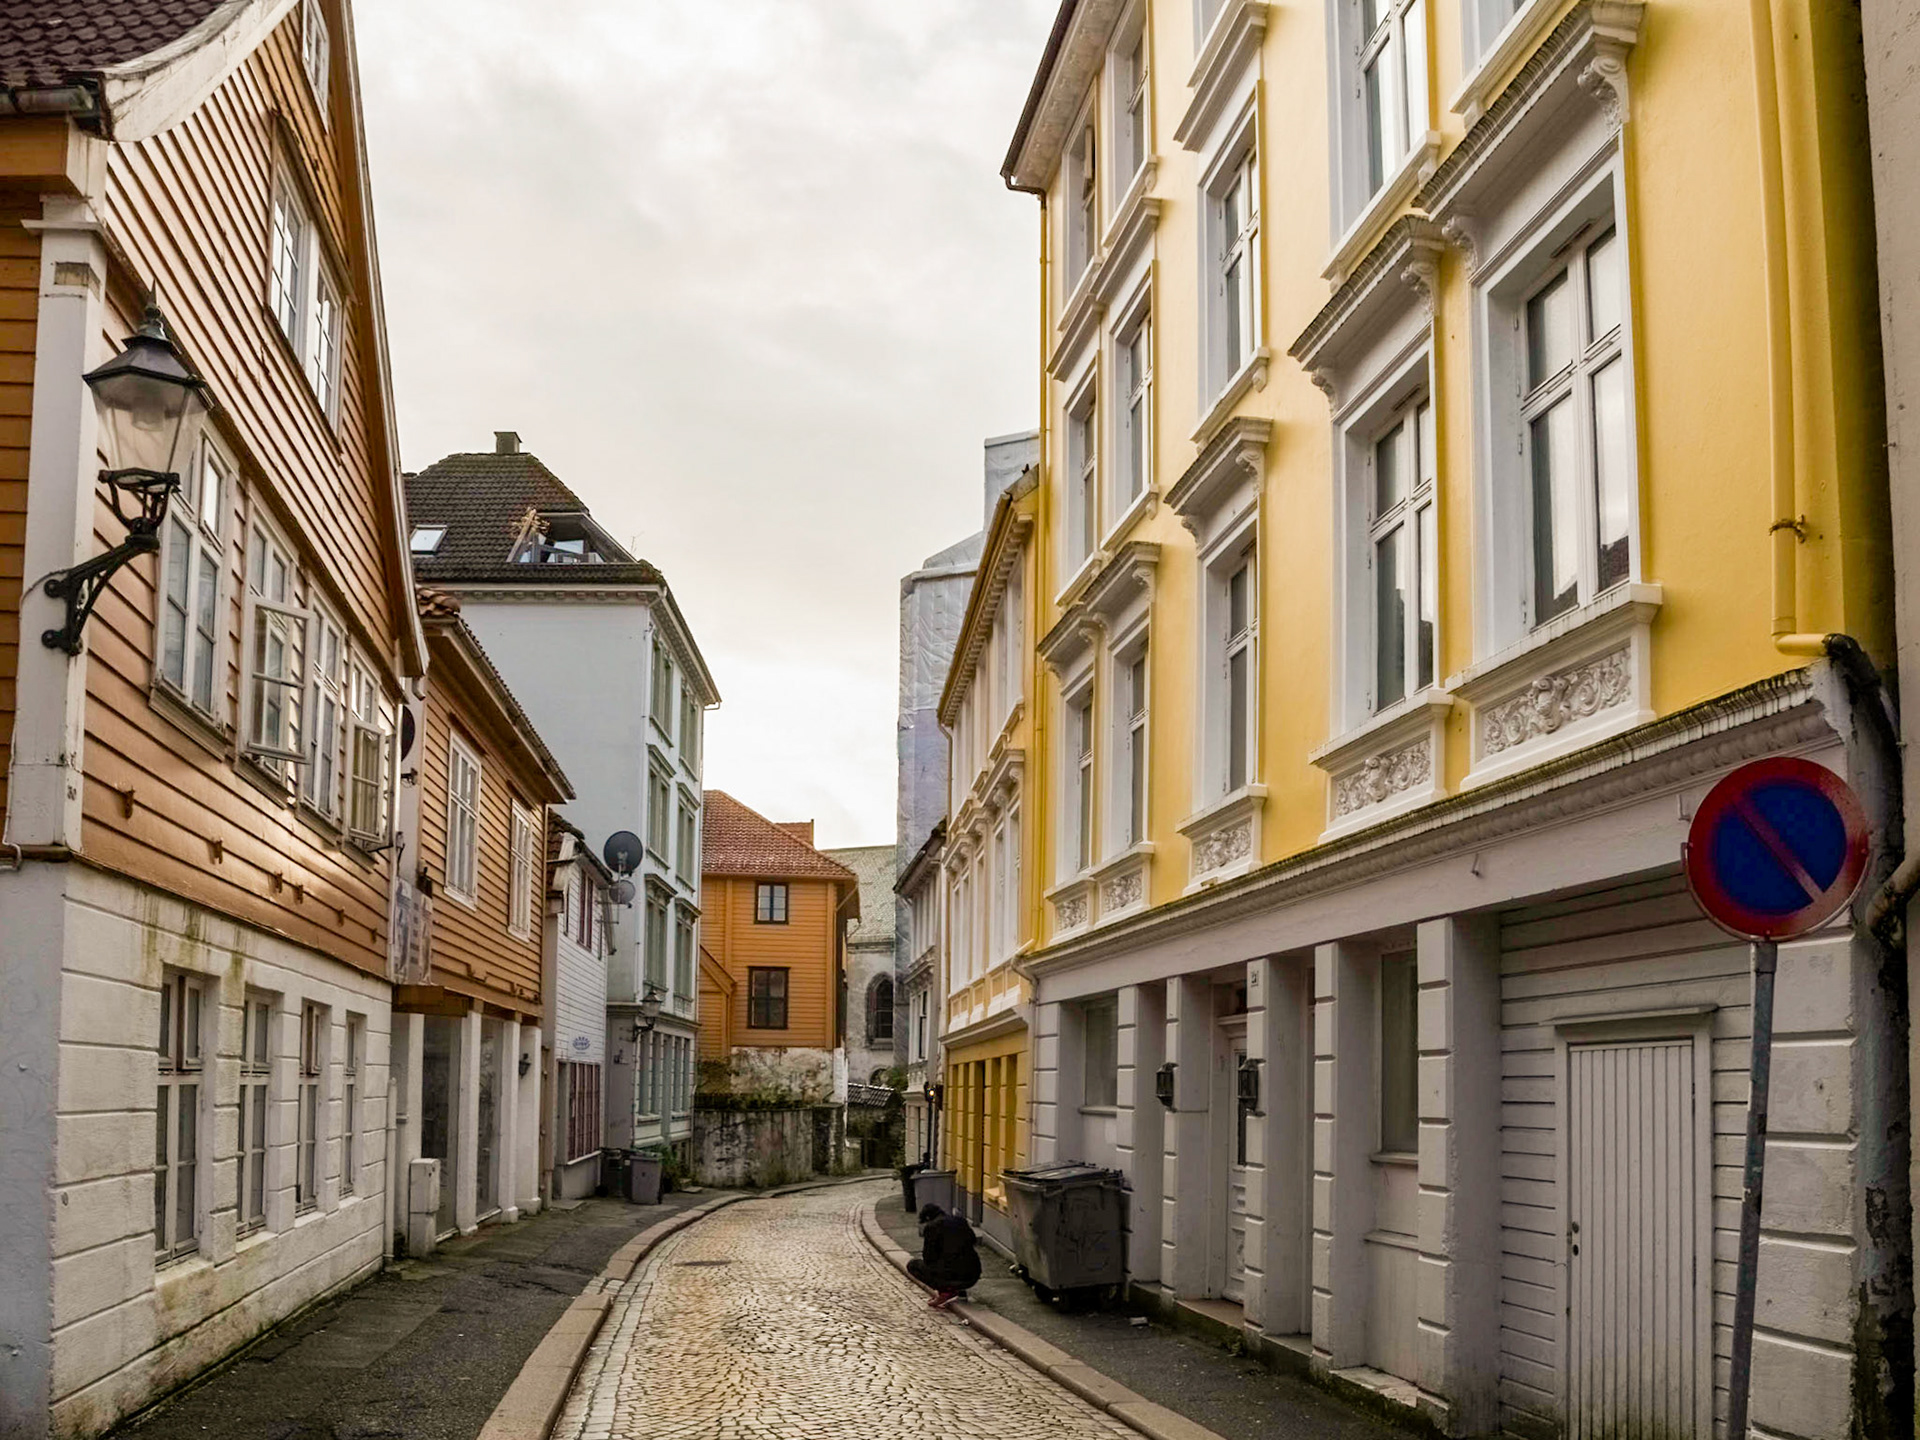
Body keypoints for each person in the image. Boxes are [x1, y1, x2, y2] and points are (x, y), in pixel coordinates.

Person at [907, 1202, 981, 1309]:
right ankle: (960, 1291)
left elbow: (929, 1258)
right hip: (973, 1275)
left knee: (913, 1265)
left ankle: (946, 1291)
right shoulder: (960, 1221)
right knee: (960, 1258)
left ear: (928, 1218)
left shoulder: (931, 1227)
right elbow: (973, 1240)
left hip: (951, 1275)